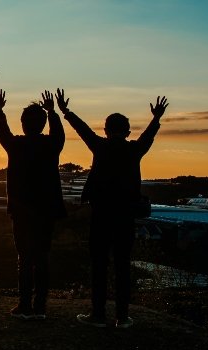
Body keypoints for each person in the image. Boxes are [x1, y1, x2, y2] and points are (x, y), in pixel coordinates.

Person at [59, 89, 168, 328]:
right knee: (122, 266)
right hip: (126, 216)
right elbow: (148, 136)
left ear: (106, 130)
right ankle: (122, 316)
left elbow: (83, 130)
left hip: (101, 215)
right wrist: (156, 118)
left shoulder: (100, 147)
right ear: (127, 131)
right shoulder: (133, 150)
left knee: (99, 264)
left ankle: (98, 314)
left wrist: (66, 111)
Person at [0, 89, 66, 320]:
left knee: (24, 258)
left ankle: (24, 305)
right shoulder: (52, 145)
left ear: (23, 124)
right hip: (46, 210)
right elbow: (59, 134)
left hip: (22, 211)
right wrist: (53, 112)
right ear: (43, 124)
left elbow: (1, 131)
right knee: (42, 257)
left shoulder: (16, 145)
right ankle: (40, 306)